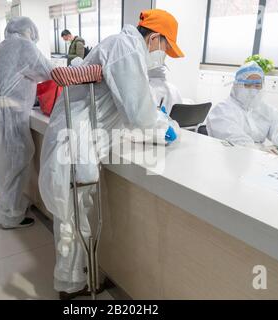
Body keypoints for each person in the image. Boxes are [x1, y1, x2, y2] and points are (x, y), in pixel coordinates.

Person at [39, 9, 183, 299]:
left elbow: (125, 104)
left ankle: (74, 278)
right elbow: (139, 114)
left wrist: (155, 120)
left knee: (76, 215)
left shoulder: (124, 47)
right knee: (73, 216)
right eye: (166, 47)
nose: (165, 55)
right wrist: (166, 127)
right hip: (76, 143)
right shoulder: (126, 48)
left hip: (82, 141)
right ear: (154, 38)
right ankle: (69, 285)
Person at [0, 17, 53, 229]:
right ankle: (10, 214)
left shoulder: (0, 47)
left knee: (7, 162)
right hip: (11, 112)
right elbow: (48, 71)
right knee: (17, 160)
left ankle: (10, 205)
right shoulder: (23, 45)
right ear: (29, 32)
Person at [206, 62, 278, 152]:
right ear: (237, 85)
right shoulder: (222, 110)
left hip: (260, 159)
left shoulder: (266, 109)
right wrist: (259, 150)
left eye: (257, 85)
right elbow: (235, 140)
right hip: (229, 158)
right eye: (248, 85)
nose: (253, 90)